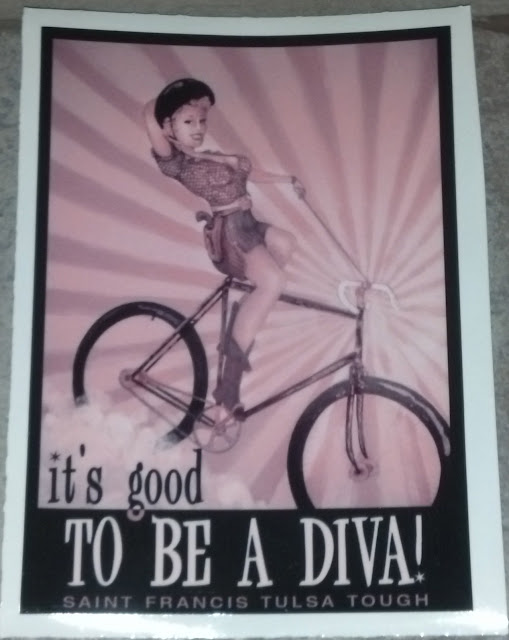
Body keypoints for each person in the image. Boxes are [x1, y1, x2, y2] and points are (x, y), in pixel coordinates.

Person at [144, 78, 304, 415]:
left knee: (286, 243)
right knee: (274, 282)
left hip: (248, 224)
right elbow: (150, 117)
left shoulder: (210, 156)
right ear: (168, 127)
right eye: (188, 121)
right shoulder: (178, 162)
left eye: (202, 121)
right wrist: (168, 101)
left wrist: (287, 180)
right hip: (230, 235)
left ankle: (244, 315)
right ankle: (228, 387)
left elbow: (251, 173)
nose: (198, 128)